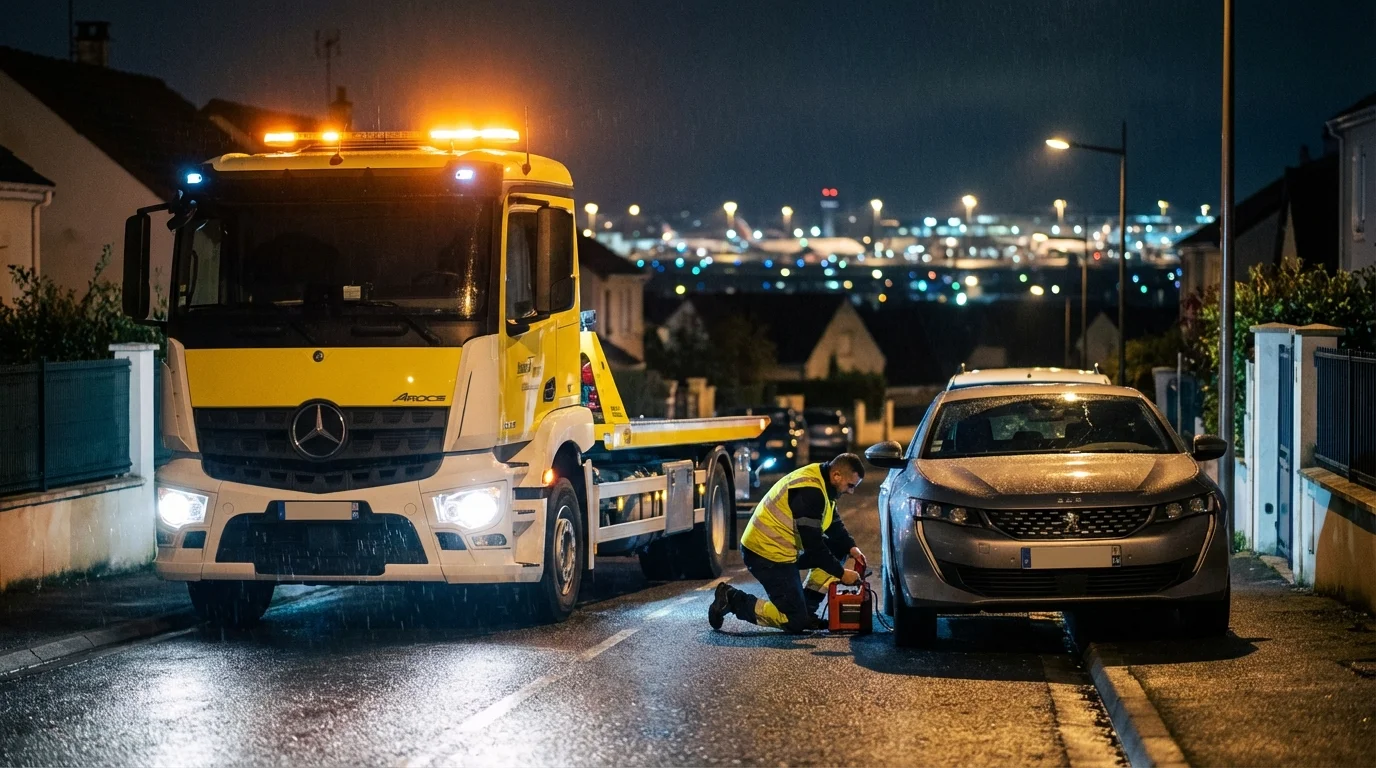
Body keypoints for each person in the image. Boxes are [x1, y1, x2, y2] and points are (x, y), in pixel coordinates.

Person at [709, 453, 868, 633]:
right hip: (765, 554)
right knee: (794, 621)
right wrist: (841, 574)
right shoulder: (811, 491)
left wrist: (851, 547)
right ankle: (732, 599)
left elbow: (833, 522)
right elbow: (814, 547)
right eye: (850, 485)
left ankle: (807, 610)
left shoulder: (824, 481)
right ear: (837, 475)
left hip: (784, 549)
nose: (851, 491)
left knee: (840, 548)